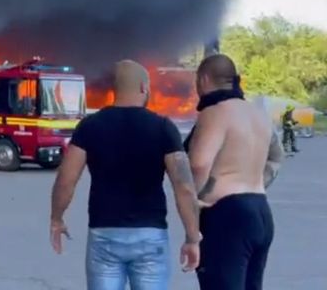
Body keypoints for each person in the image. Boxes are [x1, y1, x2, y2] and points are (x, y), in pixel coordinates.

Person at [50, 60, 202, 289]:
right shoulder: (163, 127)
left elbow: (66, 180)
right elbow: (184, 187)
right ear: (143, 87)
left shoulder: (90, 126)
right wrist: (192, 238)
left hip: (104, 234)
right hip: (151, 235)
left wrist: (57, 218)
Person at [185, 54, 281, 290]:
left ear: (204, 79)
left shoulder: (215, 113)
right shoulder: (259, 115)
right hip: (260, 211)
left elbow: (199, 164)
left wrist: (196, 199)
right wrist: (255, 181)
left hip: (227, 215)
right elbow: (277, 158)